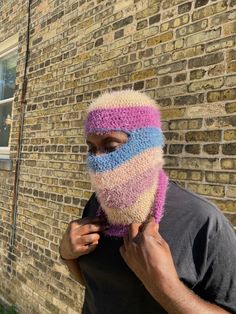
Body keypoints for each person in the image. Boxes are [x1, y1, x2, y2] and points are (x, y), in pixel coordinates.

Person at [59, 90, 236, 314]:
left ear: (146, 146)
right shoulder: (98, 205)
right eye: (91, 148)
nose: (98, 160)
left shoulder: (203, 221)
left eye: (111, 147)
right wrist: (67, 255)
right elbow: (97, 286)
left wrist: (166, 287)